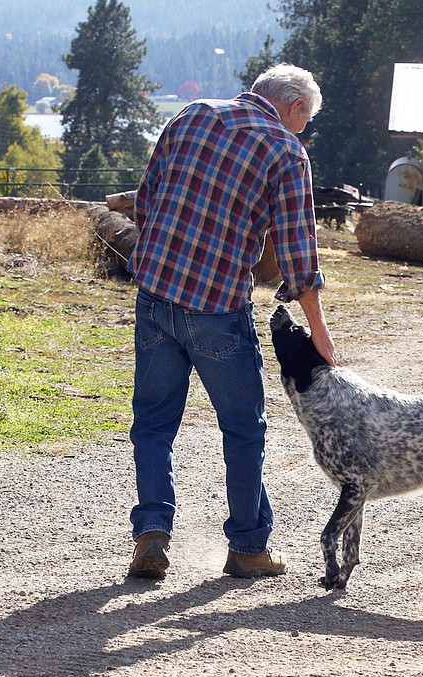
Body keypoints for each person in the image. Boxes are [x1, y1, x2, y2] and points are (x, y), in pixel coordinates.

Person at [125, 63, 337, 581]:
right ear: (293, 108)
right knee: (243, 430)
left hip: (155, 294)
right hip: (218, 306)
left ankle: (151, 534)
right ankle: (247, 548)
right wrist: (319, 330)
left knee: (153, 424)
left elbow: (146, 199)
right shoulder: (287, 152)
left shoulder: (193, 115)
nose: (301, 131)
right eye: (303, 121)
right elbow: (297, 251)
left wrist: (159, 260)